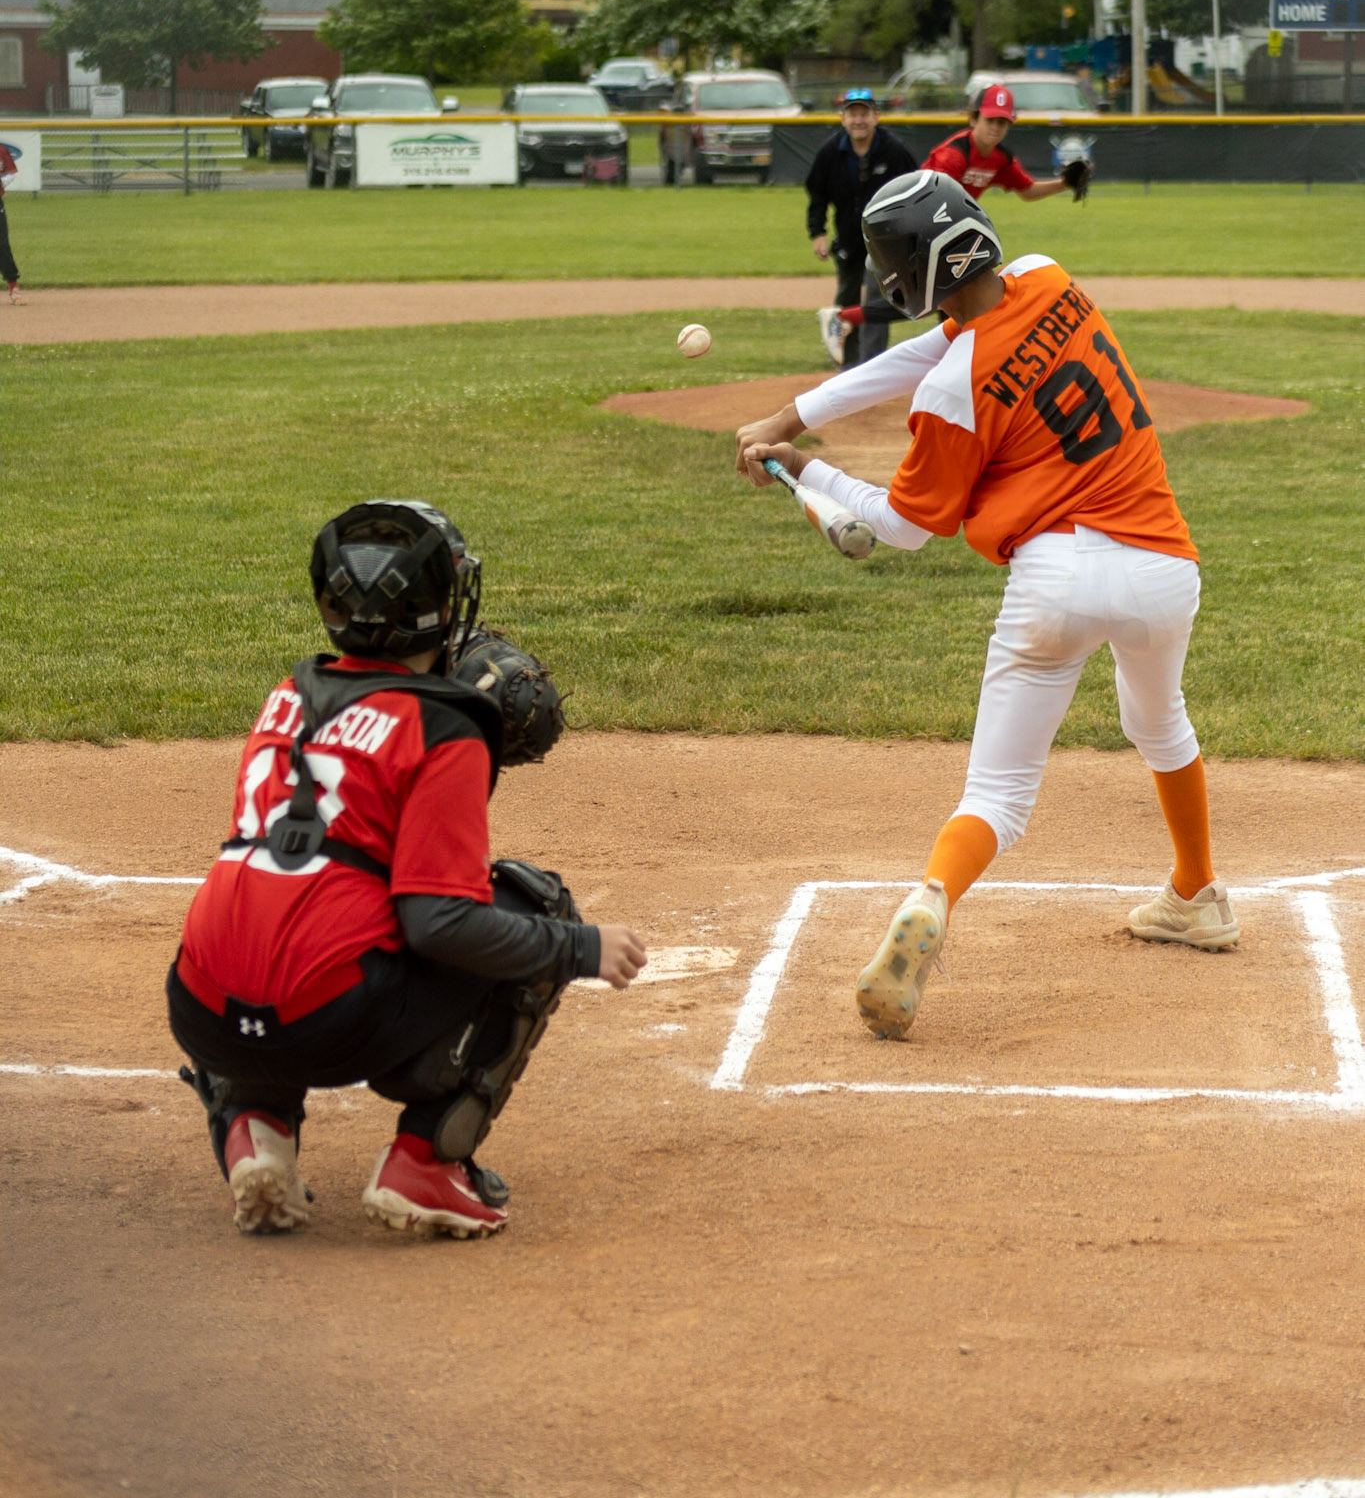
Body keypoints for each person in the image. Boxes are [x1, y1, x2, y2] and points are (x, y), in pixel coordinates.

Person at [735, 169, 1237, 1043]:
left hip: (1053, 581)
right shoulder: (1047, 274)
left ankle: (933, 894)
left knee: (998, 794)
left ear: (904, 279)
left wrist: (801, 465)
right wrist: (793, 415)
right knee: (1160, 724)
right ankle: (1195, 893)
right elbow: (936, 350)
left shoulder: (952, 387)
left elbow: (899, 529)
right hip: (1162, 568)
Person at [167, 498, 646, 1239]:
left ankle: (254, 1120)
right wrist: (583, 950)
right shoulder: (443, 727)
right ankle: (424, 1162)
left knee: (286, 912)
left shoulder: (287, 696)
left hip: (201, 1009)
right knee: (536, 909)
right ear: (441, 605)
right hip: (330, 1022)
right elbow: (438, 922)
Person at [806, 89, 917, 370]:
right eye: (852, 113)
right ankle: (848, 363)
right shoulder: (831, 152)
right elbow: (817, 194)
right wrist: (817, 232)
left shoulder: (894, 150)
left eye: (864, 113)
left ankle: (872, 366)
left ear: (876, 117)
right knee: (847, 297)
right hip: (848, 238)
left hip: (884, 240)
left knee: (879, 299)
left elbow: (912, 191)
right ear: (843, 119)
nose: (858, 120)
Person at [922, 82, 1086, 205]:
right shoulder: (954, 155)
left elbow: (1028, 191)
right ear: (973, 119)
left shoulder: (1000, 158)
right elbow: (933, 201)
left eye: (1001, 122)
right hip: (920, 212)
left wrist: (1065, 183)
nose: (995, 128)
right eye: (990, 120)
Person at [0, 140, 22, 301]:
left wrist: (2, 182)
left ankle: (13, 285)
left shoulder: (1, 151)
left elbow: (11, 172)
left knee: (2, 244)